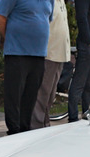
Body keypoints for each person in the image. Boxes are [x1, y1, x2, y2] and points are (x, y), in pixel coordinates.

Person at [0, 0, 52, 135]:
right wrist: (10, 38)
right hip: (17, 52)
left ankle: (25, 129)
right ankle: (13, 131)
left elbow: (46, 19)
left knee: (30, 96)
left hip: (39, 54)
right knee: (14, 95)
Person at [32, 0, 69, 129]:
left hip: (60, 53)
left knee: (51, 93)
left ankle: (45, 122)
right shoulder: (47, 2)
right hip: (49, 52)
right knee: (43, 92)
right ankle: (36, 125)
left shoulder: (61, 2)